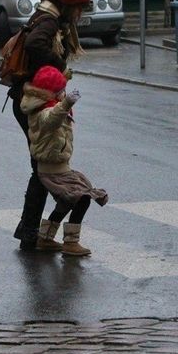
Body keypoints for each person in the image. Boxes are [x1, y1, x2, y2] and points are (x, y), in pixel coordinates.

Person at [8, 0, 92, 251]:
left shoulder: (46, 18)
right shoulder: (48, 21)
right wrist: (59, 67)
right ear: (68, 5)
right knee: (42, 169)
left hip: (35, 98)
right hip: (34, 101)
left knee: (41, 168)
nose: (79, 15)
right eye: (79, 8)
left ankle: (34, 232)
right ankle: (34, 233)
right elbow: (34, 45)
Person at [20, 66, 107, 256]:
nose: (64, 93)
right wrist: (66, 104)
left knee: (68, 201)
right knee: (82, 197)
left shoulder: (47, 106)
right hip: (51, 171)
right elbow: (51, 120)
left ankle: (45, 237)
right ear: (52, 92)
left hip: (59, 168)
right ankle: (71, 242)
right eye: (61, 91)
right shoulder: (42, 111)